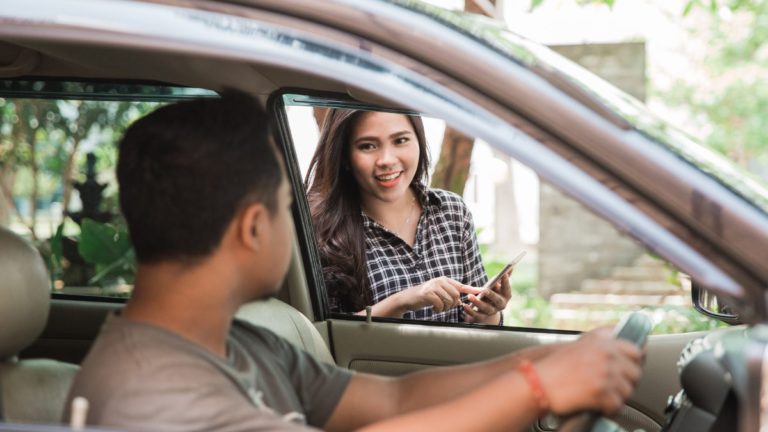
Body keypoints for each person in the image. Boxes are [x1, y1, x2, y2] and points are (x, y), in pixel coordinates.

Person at [65, 93, 643, 432]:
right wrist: (538, 388)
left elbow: (392, 401)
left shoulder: (241, 343)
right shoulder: (155, 396)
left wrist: (548, 357)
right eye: (287, 209)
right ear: (252, 227)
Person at [306, 109, 508, 324]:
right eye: (368, 146)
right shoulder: (323, 230)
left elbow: (478, 327)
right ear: (344, 156)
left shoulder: (452, 211)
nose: (386, 160)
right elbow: (325, 337)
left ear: (419, 142)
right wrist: (403, 301)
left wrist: (489, 312)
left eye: (400, 140)